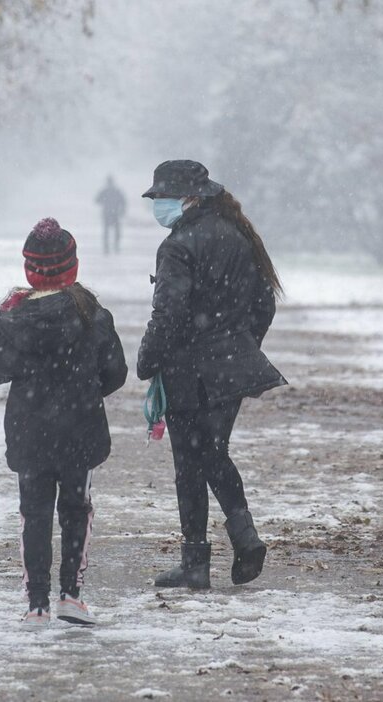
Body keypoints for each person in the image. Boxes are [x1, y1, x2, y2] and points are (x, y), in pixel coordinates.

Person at [139, 159, 285, 589]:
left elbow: (168, 314)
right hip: (231, 368)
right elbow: (265, 303)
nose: (158, 205)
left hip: (188, 370)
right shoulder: (238, 236)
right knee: (213, 453)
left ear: (189, 198)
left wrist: (147, 359)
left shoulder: (177, 246)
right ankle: (242, 536)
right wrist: (240, 345)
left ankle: (197, 561)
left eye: (163, 197)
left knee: (191, 462)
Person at [0, 218, 127, 626]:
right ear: (72, 267)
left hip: (30, 433)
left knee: (34, 513)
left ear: (30, 270)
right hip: (80, 432)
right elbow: (115, 373)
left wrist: (0, 328)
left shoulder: (14, 320)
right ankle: (71, 595)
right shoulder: (92, 315)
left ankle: (37, 603)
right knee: (77, 509)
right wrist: (83, 392)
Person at [95, 175, 127, 255]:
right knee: (114, 231)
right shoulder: (116, 191)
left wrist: (104, 201)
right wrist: (122, 210)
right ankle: (113, 246)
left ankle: (109, 247)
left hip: (109, 214)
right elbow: (123, 202)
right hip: (113, 214)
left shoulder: (106, 191)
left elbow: (97, 200)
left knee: (109, 231)